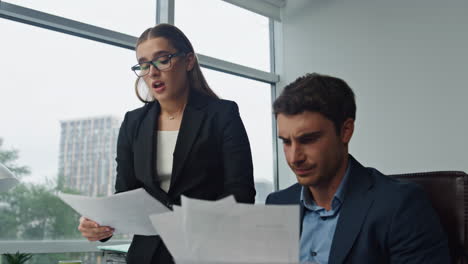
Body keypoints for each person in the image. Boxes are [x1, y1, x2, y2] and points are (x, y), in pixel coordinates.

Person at [77, 24, 256, 264]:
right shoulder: (133, 122)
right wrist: (99, 223)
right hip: (146, 255)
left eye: (162, 60)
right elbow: (125, 194)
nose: (152, 72)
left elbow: (241, 193)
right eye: (143, 64)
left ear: (188, 61)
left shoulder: (222, 114)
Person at [266, 73, 450, 264]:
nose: (294, 157)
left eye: (308, 140)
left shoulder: (401, 205)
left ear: (346, 131)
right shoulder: (277, 204)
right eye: (286, 142)